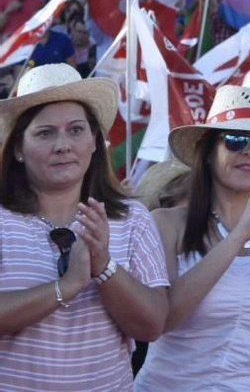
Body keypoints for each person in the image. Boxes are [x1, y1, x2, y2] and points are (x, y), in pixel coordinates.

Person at [0, 63, 170, 390]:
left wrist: (104, 266)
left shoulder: (132, 219)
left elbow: (152, 326)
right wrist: (66, 287)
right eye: (45, 133)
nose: (63, 145)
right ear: (18, 148)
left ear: (94, 142)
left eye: (76, 130)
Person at [137, 85, 250, 391]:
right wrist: (239, 234)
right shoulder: (166, 224)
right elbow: (161, 321)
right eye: (236, 140)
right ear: (208, 153)